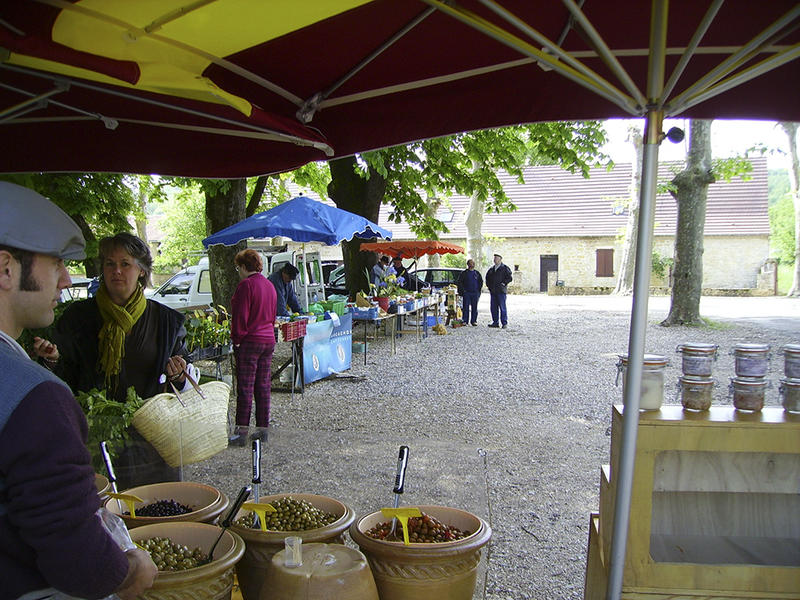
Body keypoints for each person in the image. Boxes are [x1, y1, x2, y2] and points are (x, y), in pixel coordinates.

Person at [0, 182, 157, 600]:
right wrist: (128, 571)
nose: (68, 278)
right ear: (6, 268)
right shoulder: (36, 397)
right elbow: (72, 551)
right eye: (55, 263)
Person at [38, 232, 194, 489]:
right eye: (110, 264)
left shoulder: (166, 322)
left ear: (142, 271)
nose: (116, 271)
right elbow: (64, 382)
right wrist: (53, 361)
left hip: (152, 444)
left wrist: (179, 373)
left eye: (125, 264)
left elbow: (185, 376)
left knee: (154, 514)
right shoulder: (77, 318)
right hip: (95, 442)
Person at [230, 249, 277, 446]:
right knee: (263, 387)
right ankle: (262, 430)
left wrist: (237, 339)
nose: (238, 271)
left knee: (246, 387)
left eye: (238, 267)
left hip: (251, 340)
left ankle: (241, 433)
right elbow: (273, 314)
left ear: (242, 266)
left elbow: (241, 315)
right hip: (268, 339)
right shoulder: (269, 285)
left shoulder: (245, 286)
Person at [485, 253, 512, 329]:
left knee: (502, 307)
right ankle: (495, 322)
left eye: (496, 258)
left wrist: (503, 283)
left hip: (501, 291)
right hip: (493, 291)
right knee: (493, 307)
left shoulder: (505, 268)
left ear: (500, 259)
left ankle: (504, 323)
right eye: (494, 258)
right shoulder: (491, 269)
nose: (495, 260)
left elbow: (509, 278)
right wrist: (489, 286)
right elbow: (487, 278)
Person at [457, 259, 483, 326]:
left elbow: (481, 281)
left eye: (473, 263)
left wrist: (478, 290)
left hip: (475, 293)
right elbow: (460, 282)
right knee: (465, 307)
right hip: (467, 293)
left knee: (474, 307)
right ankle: (465, 320)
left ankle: (474, 321)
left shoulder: (477, 273)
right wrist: (463, 291)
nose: (472, 264)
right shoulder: (464, 273)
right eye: (471, 263)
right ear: (468, 264)